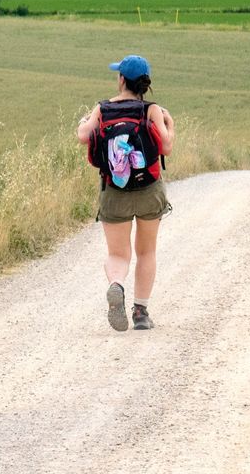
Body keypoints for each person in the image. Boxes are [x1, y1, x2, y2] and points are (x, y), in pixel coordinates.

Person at [77, 54, 175, 331]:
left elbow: (84, 135)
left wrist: (84, 120)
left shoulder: (104, 108)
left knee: (118, 254)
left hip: (114, 190)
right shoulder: (151, 110)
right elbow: (166, 147)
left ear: (121, 79)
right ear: (144, 83)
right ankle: (141, 312)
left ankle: (116, 285)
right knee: (146, 252)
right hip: (149, 188)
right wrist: (170, 123)